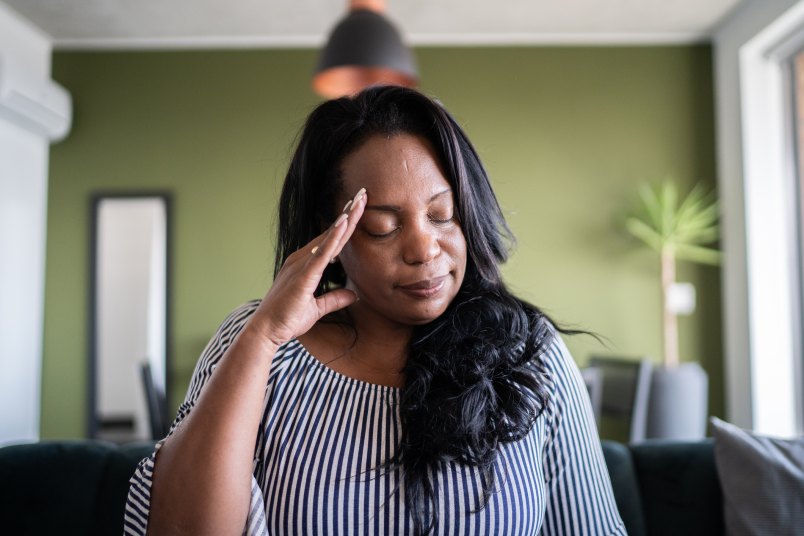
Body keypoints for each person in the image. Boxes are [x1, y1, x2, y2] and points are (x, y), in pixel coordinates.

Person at [124, 86, 626, 535]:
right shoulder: (260, 341)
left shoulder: (526, 353)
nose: (423, 249)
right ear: (331, 234)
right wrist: (261, 338)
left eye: (441, 215)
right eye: (383, 227)